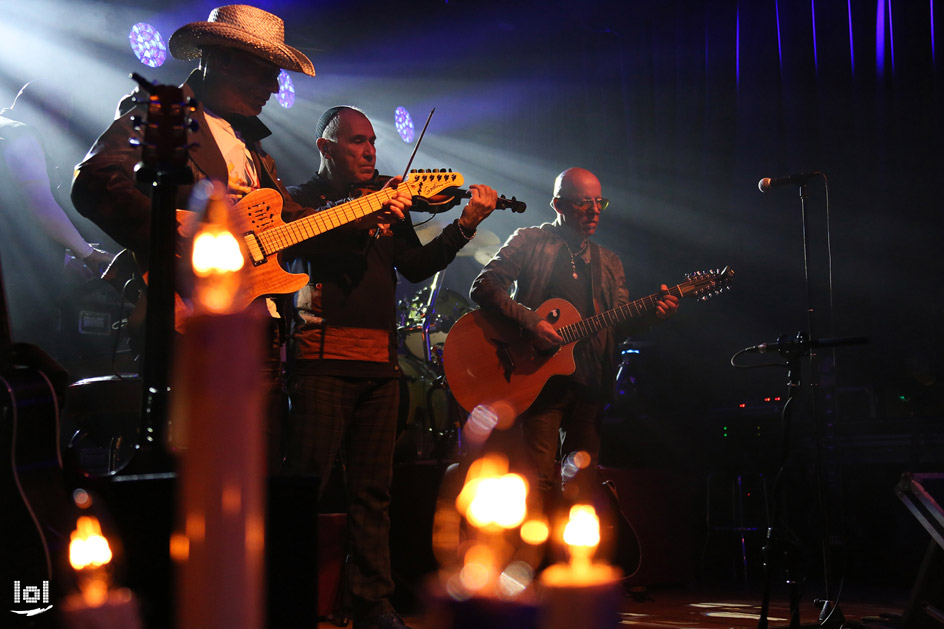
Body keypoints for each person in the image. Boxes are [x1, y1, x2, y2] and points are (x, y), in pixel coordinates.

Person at [70, 4, 325, 469]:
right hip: (186, 321)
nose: (274, 86)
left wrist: (366, 210)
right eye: (266, 71)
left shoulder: (251, 143)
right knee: (186, 470)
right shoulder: (162, 113)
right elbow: (94, 180)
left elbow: (289, 219)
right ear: (223, 58)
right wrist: (184, 243)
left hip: (256, 324)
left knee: (253, 472)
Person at [281, 105, 498, 629]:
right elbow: (306, 249)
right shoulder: (303, 201)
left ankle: (373, 603)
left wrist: (464, 225)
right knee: (304, 488)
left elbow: (416, 266)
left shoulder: (387, 201)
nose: (370, 151)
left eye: (373, 141)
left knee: (373, 494)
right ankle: (288, 600)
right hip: (322, 360)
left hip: (379, 363)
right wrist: (364, 216)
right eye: (356, 141)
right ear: (325, 147)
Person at [469, 167, 680, 513]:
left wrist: (652, 316)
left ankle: (571, 562)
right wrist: (532, 321)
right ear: (558, 204)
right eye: (584, 203)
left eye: (599, 202)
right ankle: (530, 561)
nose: (595, 211)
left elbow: (619, 325)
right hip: (540, 382)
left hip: (591, 385)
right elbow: (484, 287)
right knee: (536, 481)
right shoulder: (529, 240)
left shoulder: (609, 262)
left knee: (580, 490)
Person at [0, 80, 115, 359]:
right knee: (34, 358)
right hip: (18, 288)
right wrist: (87, 253)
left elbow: (16, 218)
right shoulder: (21, 136)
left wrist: (65, 256)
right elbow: (41, 205)